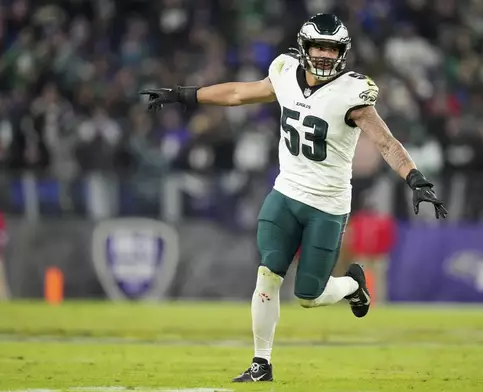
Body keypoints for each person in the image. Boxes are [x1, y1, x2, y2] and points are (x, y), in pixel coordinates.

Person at [140, 13, 448, 383]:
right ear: (303, 46)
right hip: (285, 193)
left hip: (327, 205)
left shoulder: (352, 92)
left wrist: (415, 177)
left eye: (331, 48)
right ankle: (261, 364)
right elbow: (240, 93)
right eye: (318, 45)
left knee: (308, 295)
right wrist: (185, 95)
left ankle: (353, 284)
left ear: (342, 52)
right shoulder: (284, 71)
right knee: (268, 274)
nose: (323, 54)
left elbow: (385, 141)